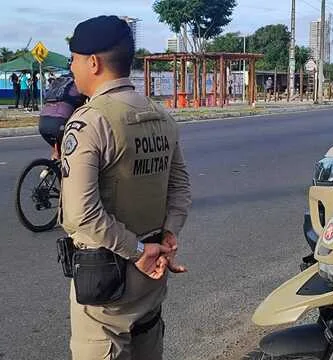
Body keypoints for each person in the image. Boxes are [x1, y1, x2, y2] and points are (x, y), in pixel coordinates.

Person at [61, 15, 192, 360]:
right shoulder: (161, 116)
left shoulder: (90, 121)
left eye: (73, 59)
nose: (71, 68)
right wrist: (166, 237)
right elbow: (180, 190)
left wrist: (138, 251)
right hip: (152, 276)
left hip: (108, 281)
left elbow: (81, 214)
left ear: (93, 62)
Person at [39, 74, 87, 159]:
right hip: (60, 121)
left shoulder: (61, 80)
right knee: (78, 149)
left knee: (58, 149)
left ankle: (53, 166)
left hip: (43, 121)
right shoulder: (81, 81)